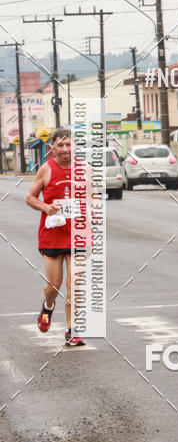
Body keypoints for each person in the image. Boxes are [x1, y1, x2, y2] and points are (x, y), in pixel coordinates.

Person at [26, 127, 86, 346]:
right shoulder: (45, 170)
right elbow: (30, 198)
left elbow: (94, 197)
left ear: (74, 146)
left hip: (77, 235)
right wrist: (45, 207)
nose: (65, 149)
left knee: (76, 284)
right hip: (52, 235)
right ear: (52, 147)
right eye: (60, 145)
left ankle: (72, 330)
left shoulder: (85, 170)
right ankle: (48, 306)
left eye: (69, 144)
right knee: (54, 285)